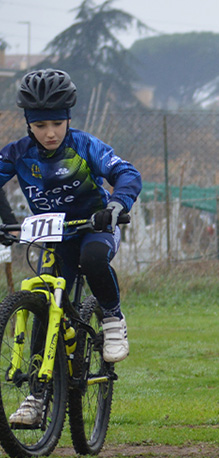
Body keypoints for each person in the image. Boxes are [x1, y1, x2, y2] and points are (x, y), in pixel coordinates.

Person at [0, 69, 142, 426]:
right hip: (54, 237)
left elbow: (127, 173)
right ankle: (36, 397)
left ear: (68, 119)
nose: (50, 133)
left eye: (57, 124)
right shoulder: (18, 153)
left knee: (92, 259)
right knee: (43, 303)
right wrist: (6, 222)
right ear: (28, 124)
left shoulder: (84, 146)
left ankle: (112, 317)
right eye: (40, 125)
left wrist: (115, 206)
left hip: (94, 228)